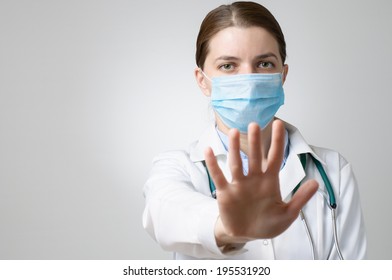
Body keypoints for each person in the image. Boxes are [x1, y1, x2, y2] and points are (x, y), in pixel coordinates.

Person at [142, 1, 366, 260]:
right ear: (203, 81)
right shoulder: (176, 167)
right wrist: (228, 227)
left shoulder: (334, 170)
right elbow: (166, 212)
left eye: (264, 64)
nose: (248, 80)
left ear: (282, 75)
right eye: (228, 66)